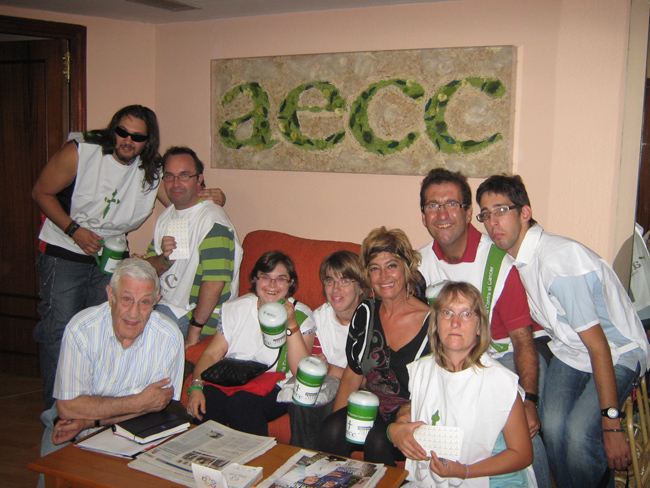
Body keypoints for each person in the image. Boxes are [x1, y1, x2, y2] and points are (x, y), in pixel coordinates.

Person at [32, 105, 224, 409]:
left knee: (110, 330)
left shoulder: (150, 169)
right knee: (60, 329)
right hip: (66, 248)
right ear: (113, 129)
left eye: (137, 136)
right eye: (122, 132)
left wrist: (213, 198)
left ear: (148, 141)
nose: (127, 140)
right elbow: (41, 192)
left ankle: (100, 405)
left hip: (109, 256)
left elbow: (179, 198)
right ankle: (58, 411)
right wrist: (74, 230)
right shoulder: (81, 151)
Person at [476, 174, 650, 487]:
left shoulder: (559, 261)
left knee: (580, 436)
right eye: (485, 215)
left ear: (525, 213)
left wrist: (611, 426)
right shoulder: (515, 259)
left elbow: (600, 347)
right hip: (571, 351)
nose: (492, 223)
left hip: (616, 351)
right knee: (553, 427)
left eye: (501, 210)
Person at [417, 168, 550, 487]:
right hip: (450, 361)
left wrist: (529, 399)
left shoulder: (498, 259)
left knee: (527, 434)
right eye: (433, 206)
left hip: (502, 357)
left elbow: (522, 339)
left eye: (451, 204)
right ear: (423, 217)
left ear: (467, 212)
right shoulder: (418, 264)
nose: (442, 214)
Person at [389, 281, 534, 488]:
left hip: (493, 481)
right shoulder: (421, 371)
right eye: (447, 313)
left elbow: (522, 455)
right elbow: (421, 414)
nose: (455, 323)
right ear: (436, 323)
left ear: (479, 327)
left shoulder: (499, 381)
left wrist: (464, 471)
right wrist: (394, 431)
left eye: (466, 314)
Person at [39, 258, 184, 464]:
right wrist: (139, 401)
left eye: (144, 302)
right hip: (70, 421)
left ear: (156, 301)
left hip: (132, 424)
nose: (134, 313)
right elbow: (68, 408)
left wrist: (90, 421)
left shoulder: (169, 337)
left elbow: (155, 407)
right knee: (52, 469)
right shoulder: (81, 329)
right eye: (127, 299)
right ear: (110, 296)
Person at [319, 227, 431, 466]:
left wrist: (407, 415)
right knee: (331, 428)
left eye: (391, 266)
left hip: (411, 416)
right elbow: (352, 375)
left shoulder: (432, 322)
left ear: (407, 269)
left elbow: (439, 387)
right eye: (374, 269)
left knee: (379, 440)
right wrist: (338, 421)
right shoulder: (366, 312)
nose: (383, 276)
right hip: (369, 408)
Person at [186, 251, 316, 436]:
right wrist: (196, 386)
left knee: (243, 403)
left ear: (291, 283)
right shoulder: (235, 308)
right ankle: (204, 458)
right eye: (265, 277)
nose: (272, 284)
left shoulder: (302, 314)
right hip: (234, 376)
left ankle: (253, 462)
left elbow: (300, 373)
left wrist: (292, 324)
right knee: (210, 399)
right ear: (255, 280)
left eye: (280, 278)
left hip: (278, 383)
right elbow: (212, 354)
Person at [146, 146, 242, 348]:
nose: (175, 183)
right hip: (164, 302)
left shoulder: (213, 221)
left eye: (184, 176)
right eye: (169, 176)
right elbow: (147, 269)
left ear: (199, 179)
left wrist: (194, 329)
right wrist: (164, 259)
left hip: (193, 315)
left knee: (144, 342)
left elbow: (215, 283)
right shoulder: (168, 215)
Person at [288, 251, 369, 450]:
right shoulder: (318, 318)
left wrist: (332, 370)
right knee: (301, 397)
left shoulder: (373, 320)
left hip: (360, 393)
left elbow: (372, 383)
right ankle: (299, 461)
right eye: (329, 281)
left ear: (360, 287)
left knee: (328, 405)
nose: (335, 288)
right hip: (327, 388)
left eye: (345, 280)